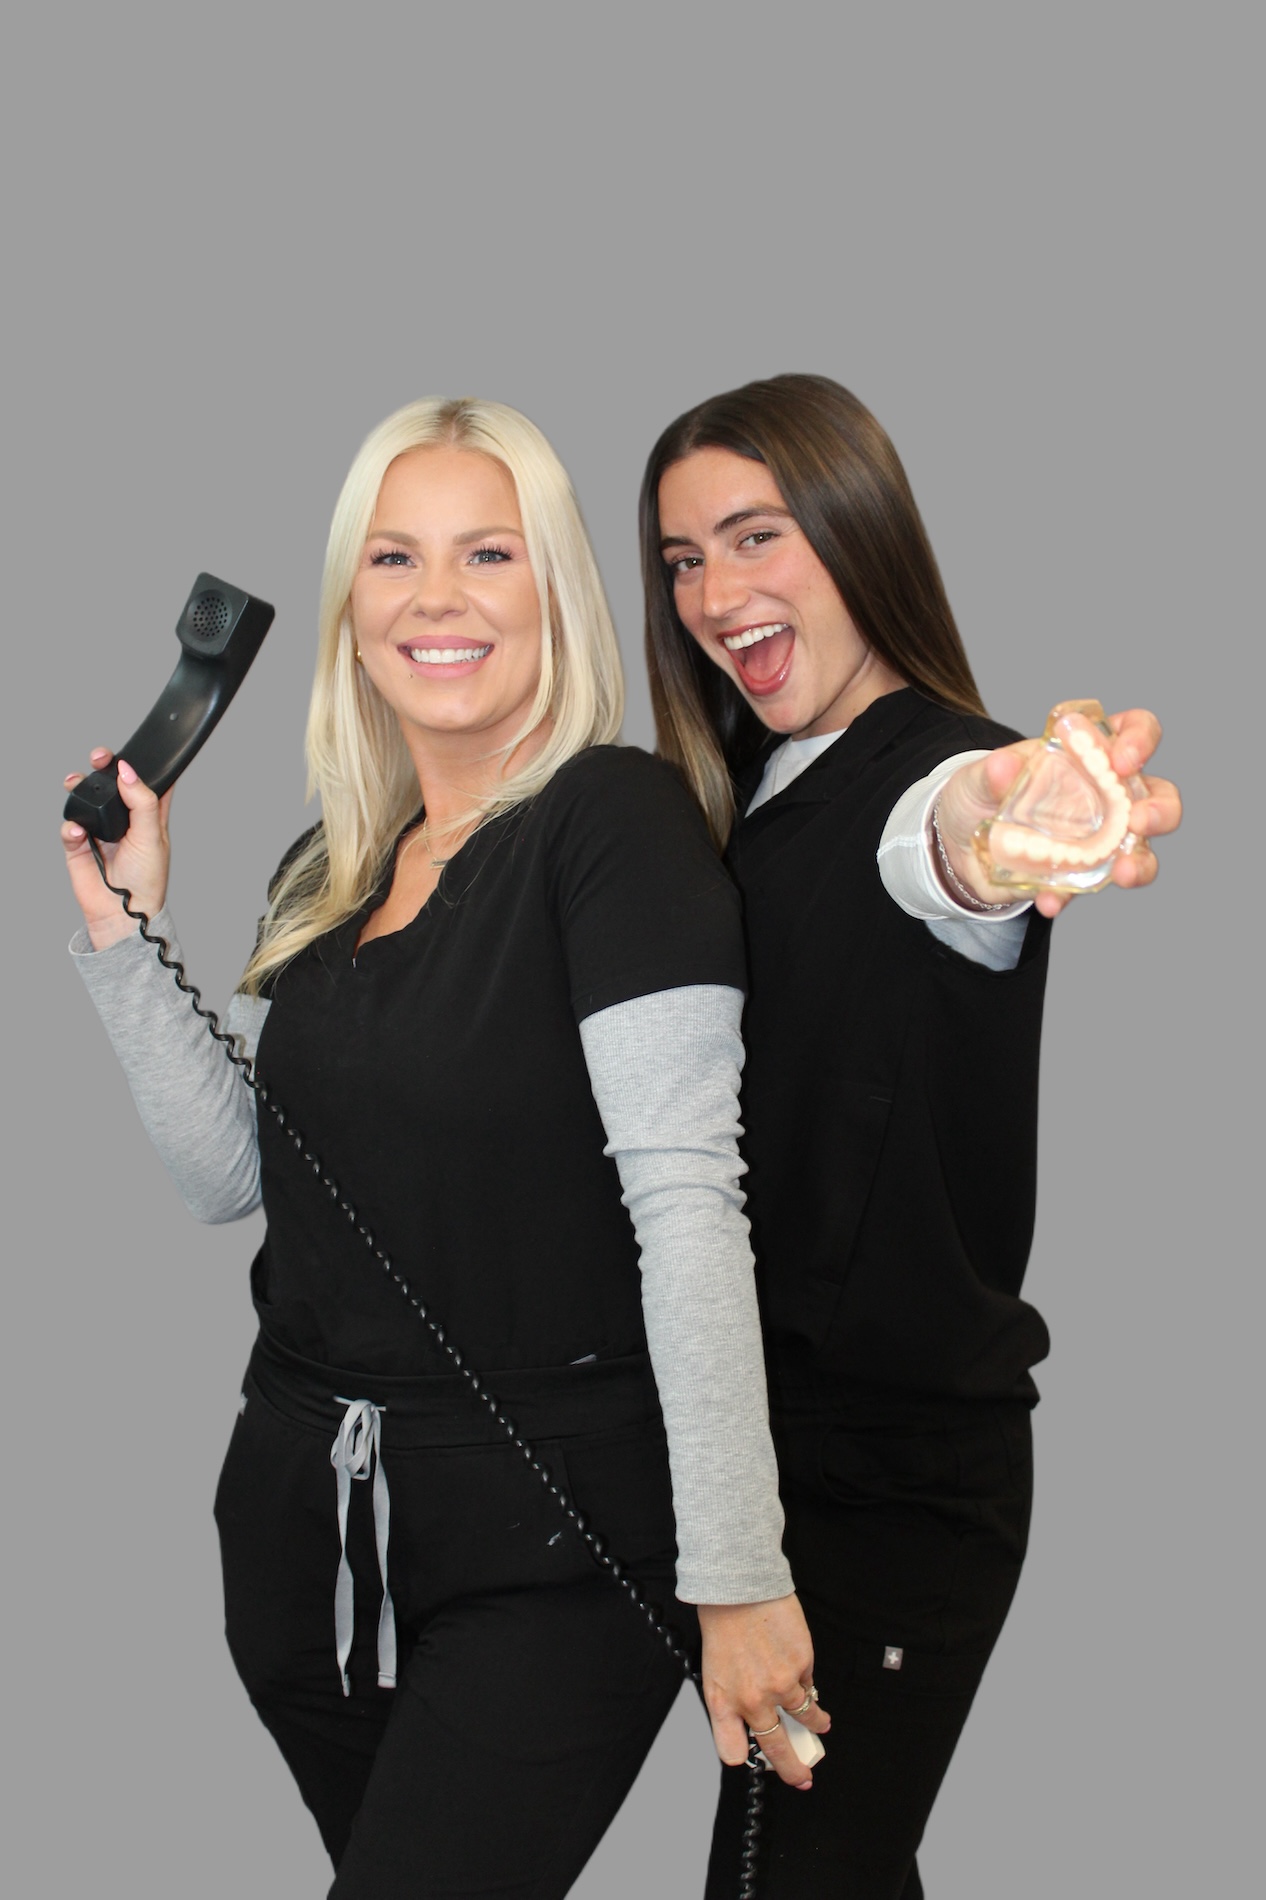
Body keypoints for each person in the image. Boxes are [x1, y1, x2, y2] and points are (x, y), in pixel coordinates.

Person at [60, 396, 831, 1900]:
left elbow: (688, 1210)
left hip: (547, 1543)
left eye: (489, 552)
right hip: (306, 1533)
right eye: (393, 558)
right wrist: (119, 927)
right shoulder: (337, 857)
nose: (436, 599)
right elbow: (234, 1176)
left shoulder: (617, 825)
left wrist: (737, 1571)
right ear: (351, 607)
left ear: (555, 589)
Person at [638, 373, 1182, 1899]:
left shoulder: (927, 772)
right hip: (747, 1459)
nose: (714, 593)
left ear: (857, 530)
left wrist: (1012, 819)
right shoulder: (741, 799)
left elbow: (952, 841)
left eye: (756, 536)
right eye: (681, 560)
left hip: (886, 1484)